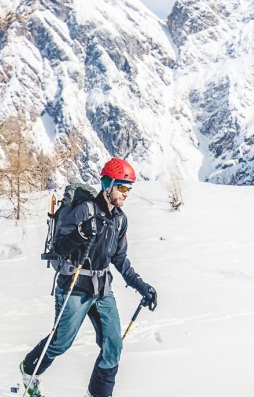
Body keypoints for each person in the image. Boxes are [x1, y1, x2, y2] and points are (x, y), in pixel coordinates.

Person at [20, 158, 157, 397]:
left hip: (102, 290)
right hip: (74, 285)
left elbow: (120, 259)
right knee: (61, 342)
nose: (126, 194)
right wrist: (82, 232)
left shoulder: (120, 220)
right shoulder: (85, 210)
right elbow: (60, 247)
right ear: (108, 185)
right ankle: (29, 369)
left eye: (129, 188)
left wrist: (141, 286)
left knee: (113, 346)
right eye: (123, 187)